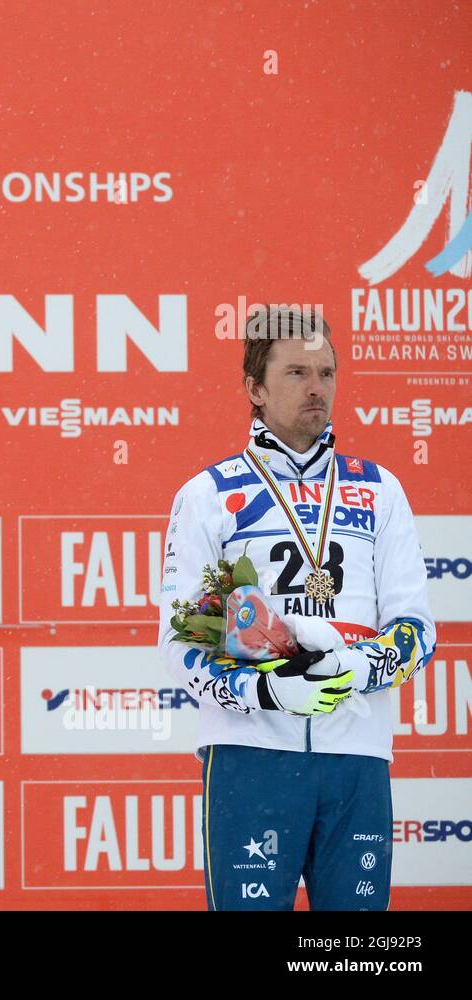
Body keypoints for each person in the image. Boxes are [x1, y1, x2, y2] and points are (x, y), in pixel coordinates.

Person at [159, 305, 435, 911]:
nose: (318, 388)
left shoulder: (381, 489)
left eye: (327, 372)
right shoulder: (208, 495)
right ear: (253, 388)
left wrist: (357, 670)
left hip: (355, 757)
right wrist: (272, 692)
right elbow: (181, 645)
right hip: (250, 757)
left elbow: (417, 629)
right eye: (296, 373)